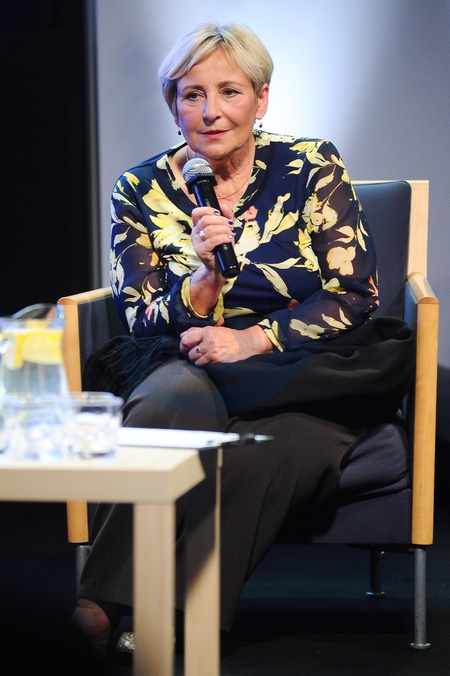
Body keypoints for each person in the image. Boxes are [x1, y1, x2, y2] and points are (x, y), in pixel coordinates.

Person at [72, 21, 414, 656]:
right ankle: (105, 595)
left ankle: (172, 615)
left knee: (260, 454)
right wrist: (203, 282)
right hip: (191, 354)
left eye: (229, 91)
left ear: (261, 98)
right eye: (192, 94)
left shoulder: (311, 164)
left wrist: (255, 339)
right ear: (173, 106)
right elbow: (140, 312)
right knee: (167, 403)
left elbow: (354, 293)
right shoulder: (139, 188)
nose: (211, 111)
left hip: (305, 363)